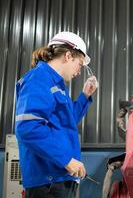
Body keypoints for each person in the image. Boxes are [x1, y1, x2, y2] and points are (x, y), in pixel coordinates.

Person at [15, 31, 98, 198]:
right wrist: (66, 159)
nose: (79, 71)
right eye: (79, 64)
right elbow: (28, 128)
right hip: (48, 182)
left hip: (58, 179)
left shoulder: (58, 86)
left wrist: (85, 96)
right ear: (68, 56)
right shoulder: (39, 79)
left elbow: (67, 121)